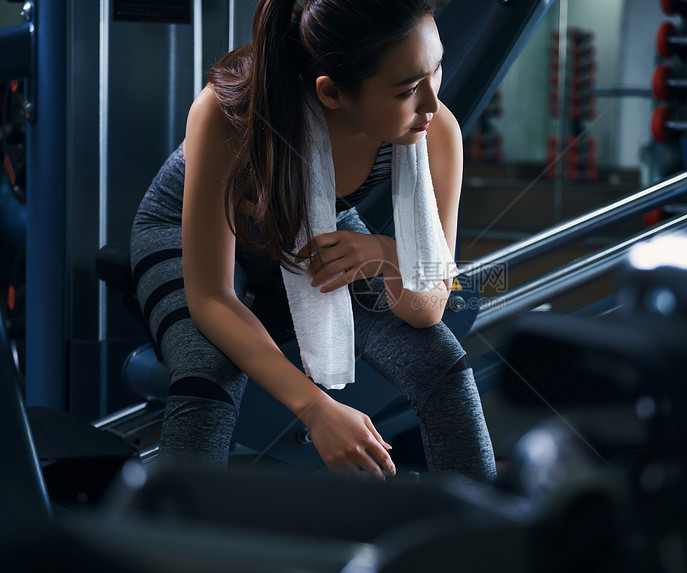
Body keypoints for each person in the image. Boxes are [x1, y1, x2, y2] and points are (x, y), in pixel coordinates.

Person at [129, 0, 497, 482]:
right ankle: (171, 543)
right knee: (209, 372)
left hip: (319, 228)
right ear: (332, 93)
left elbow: (428, 304)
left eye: (437, 68)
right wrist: (316, 409)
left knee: (443, 365)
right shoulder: (227, 114)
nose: (431, 103)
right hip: (182, 231)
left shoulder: (435, 130)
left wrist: (386, 255)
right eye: (408, 89)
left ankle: (483, 537)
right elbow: (213, 297)